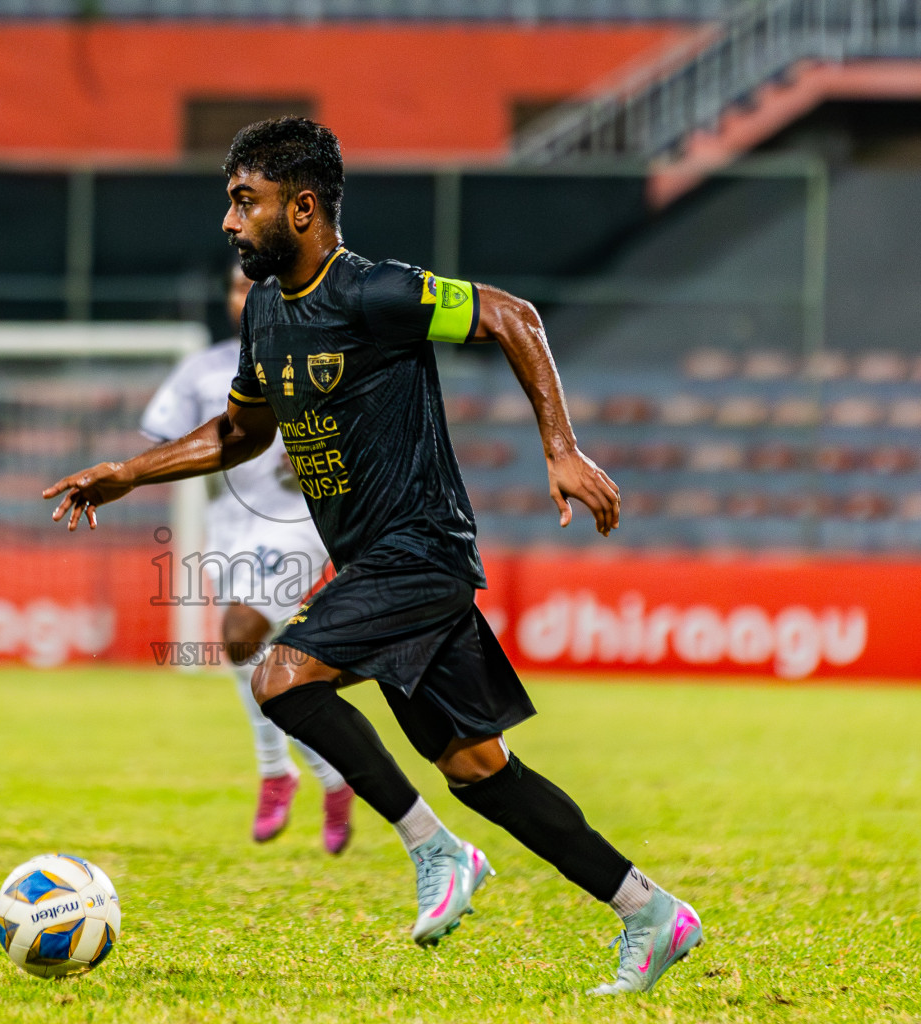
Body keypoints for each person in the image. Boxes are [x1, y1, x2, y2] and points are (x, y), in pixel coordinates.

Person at [44, 117, 701, 996]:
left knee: (279, 678)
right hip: (375, 564)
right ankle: (650, 912)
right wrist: (132, 472)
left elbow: (513, 315)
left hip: (419, 549)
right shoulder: (267, 314)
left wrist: (561, 449)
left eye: (247, 202)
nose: (231, 223)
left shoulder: (377, 292)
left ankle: (436, 851)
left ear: (304, 207)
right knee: (477, 768)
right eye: (230, 204)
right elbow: (242, 430)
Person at [140, 261, 355, 852]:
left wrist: (322, 444)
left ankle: (276, 770)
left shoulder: (320, 358)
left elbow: (363, 427)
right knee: (264, 662)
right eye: (238, 287)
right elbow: (164, 442)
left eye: (257, 286)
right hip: (226, 530)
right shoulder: (201, 371)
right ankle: (332, 777)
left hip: (296, 525)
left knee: (239, 635)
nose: (247, 296)